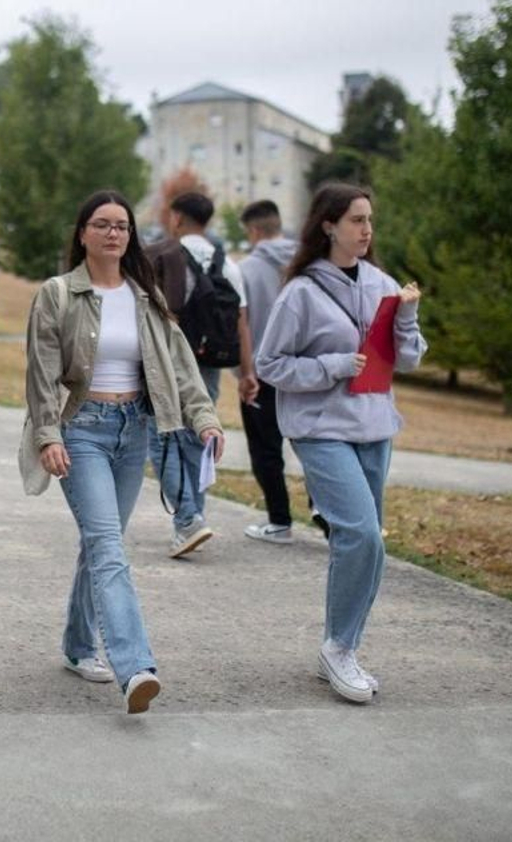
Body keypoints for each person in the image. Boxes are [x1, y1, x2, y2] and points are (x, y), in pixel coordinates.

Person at [23, 189, 223, 714]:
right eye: (102, 224)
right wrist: (48, 435)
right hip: (82, 431)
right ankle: (134, 666)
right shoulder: (58, 293)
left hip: (134, 431)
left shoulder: (145, 295)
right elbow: (41, 371)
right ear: (83, 233)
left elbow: (179, 364)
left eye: (122, 226)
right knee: (109, 545)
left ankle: (76, 644)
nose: (114, 233)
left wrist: (204, 419)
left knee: (100, 543)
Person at [254, 183, 426, 704]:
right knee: (362, 535)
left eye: (370, 219)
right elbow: (270, 365)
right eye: (356, 220)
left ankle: (342, 644)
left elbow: (410, 359)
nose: (367, 229)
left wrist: (408, 316)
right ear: (328, 225)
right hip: (321, 428)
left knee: (366, 542)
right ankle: (340, 648)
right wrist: (331, 366)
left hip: (375, 426)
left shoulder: (384, 285)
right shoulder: (301, 292)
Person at [143, 191, 257, 558]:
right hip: (209, 362)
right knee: (198, 436)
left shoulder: (166, 255)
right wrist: (246, 372)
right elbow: (241, 323)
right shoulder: (228, 264)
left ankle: (188, 520)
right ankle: (195, 517)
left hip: (168, 357)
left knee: (161, 438)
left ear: (177, 218)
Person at [236, 199, 302, 543]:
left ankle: (280, 520)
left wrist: (242, 371)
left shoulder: (244, 270)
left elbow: (240, 322)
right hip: (305, 371)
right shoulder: (308, 263)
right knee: (314, 445)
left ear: (254, 230)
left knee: (266, 449)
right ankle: (326, 514)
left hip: (261, 371)